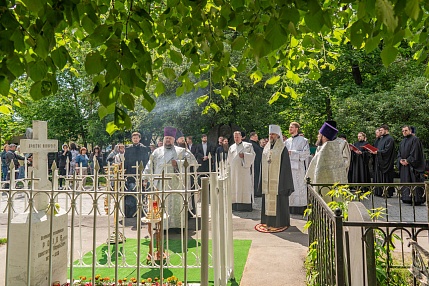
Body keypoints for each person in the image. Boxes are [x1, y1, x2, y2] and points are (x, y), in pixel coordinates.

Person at [143, 127, 197, 229]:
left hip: (175, 183)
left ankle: (178, 227)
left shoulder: (181, 151)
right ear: (164, 139)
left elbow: (192, 161)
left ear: (173, 140)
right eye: (166, 138)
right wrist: (145, 177)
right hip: (160, 184)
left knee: (176, 206)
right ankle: (161, 226)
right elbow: (150, 164)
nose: (168, 140)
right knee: (161, 204)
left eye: (170, 138)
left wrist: (178, 163)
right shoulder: (157, 152)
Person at [260, 125, 294, 228]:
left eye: (273, 134)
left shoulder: (282, 148)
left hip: (279, 181)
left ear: (278, 135)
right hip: (267, 181)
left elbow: (286, 167)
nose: (271, 136)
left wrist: (283, 181)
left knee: (278, 202)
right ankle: (268, 221)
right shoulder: (266, 148)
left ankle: (280, 222)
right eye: (270, 134)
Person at [306, 122, 348, 194]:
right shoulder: (332, 147)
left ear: (324, 136)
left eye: (319, 134)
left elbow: (314, 166)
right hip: (335, 179)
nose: (318, 136)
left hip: (324, 181)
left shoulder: (325, 149)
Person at [285, 122, 310, 215]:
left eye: (292, 127)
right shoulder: (287, 141)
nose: (290, 129)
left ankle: (300, 208)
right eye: (289, 127)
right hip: (289, 168)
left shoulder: (304, 140)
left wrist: (293, 153)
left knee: (299, 187)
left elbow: (306, 153)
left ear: (296, 129)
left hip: (299, 168)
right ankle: (290, 207)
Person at [124, 132, 150, 218]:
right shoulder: (128, 149)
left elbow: (146, 161)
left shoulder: (144, 148)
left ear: (139, 139)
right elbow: (126, 161)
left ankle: (141, 211)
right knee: (131, 191)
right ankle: (131, 212)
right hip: (131, 172)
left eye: (137, 138)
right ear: (132, 139)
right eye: (134, 138)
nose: (135, 139)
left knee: (141, 192)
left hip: (141, 172)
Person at [228, 131, 256, 211]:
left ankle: (245, 205)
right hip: (234, 172)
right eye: (235, 137)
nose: (236, 138)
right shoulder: (231, 147)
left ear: (241, 137)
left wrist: (244, 155)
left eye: (237, 137)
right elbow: (229, 160)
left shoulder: (248, 146)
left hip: (244, 171)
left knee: (245, 186)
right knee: (235, 186)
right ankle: (235, 205)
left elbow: (253, 155)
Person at [397, 125, 425, 204]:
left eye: (405, 130)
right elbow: (399, 153)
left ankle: (416, 199)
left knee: (413, 181)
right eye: (402, 131)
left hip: (412, 166)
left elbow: (415, 152)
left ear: (410, 131)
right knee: (405, 182)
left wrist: (408, 160)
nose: (404, 132)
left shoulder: (415, 140)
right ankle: (406, 198)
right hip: (404, 166)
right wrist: (400, 160)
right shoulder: (402, 141)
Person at [371, 124, 395, 197]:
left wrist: (378, 152)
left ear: (386, 130)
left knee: (386, 177)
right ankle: (379, 191)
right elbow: (379, 149)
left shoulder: (390, 139)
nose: (380, 132)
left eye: (381, 130)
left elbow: (387, 151)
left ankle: (386, 192)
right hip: (379, 161)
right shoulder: (381, 139)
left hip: (386, 162)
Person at [249, 132, 263, 197]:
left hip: (258, 163)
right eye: (256, 136)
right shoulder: (250, 144)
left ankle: (257, 191)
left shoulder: (255, 144)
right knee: (255, 177)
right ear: (252, 137)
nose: (257, 138)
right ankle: (255, 192)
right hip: (254, 163)